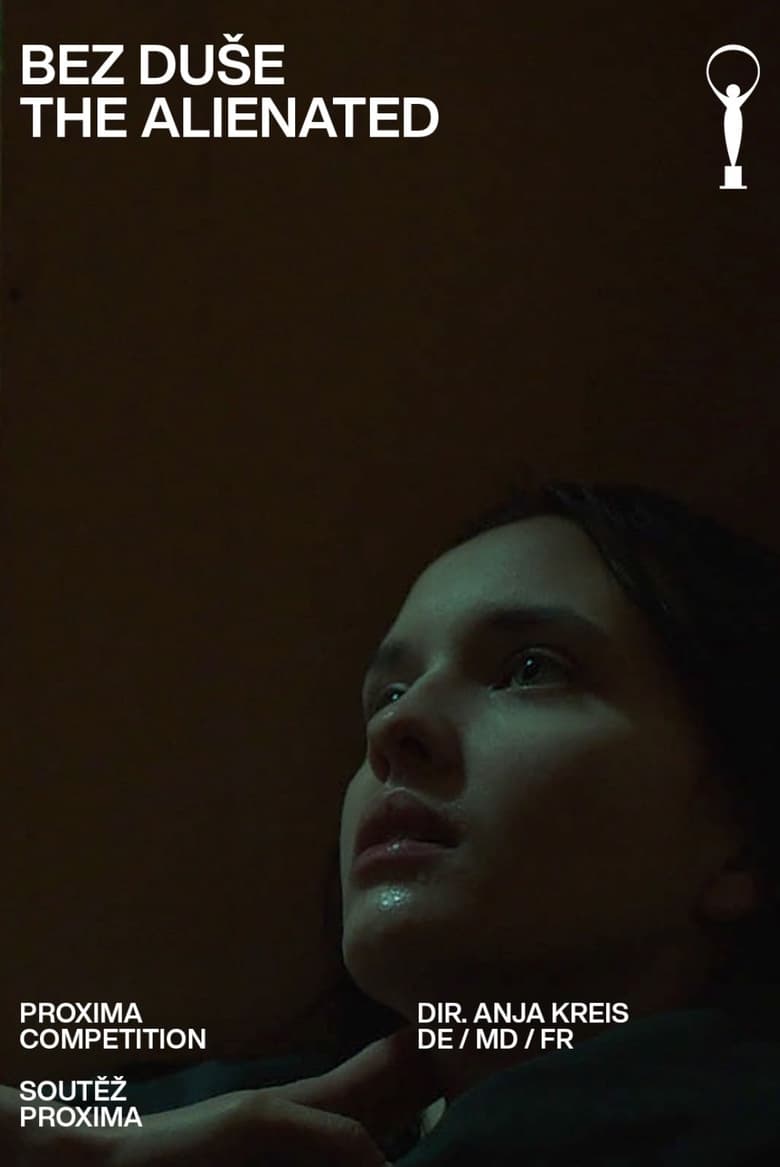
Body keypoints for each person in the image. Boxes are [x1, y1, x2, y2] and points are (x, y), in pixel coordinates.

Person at [4, 481, 780, 1164]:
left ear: (740, 834)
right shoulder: (197, 1115)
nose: (393, 729)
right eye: (389, 693)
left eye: (530, 669)